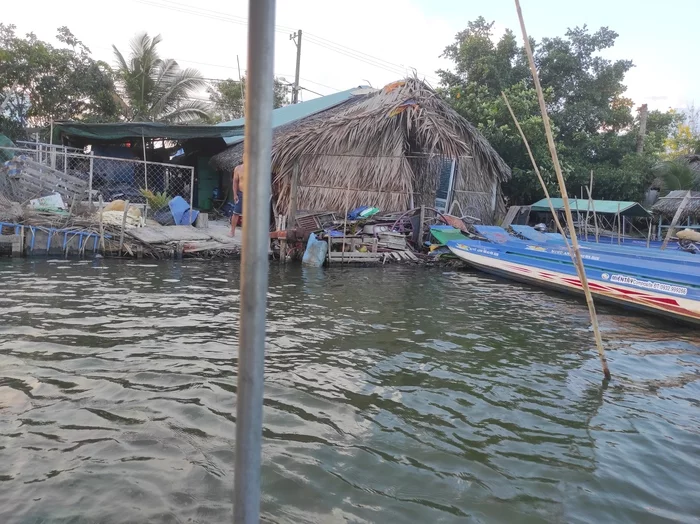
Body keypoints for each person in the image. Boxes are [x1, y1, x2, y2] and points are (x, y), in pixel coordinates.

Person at [230, 162, 244, 236]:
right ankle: (232, 231)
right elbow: (235, 182)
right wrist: (235, 194)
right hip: (241, 193)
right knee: (236, 213)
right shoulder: (238, 168)